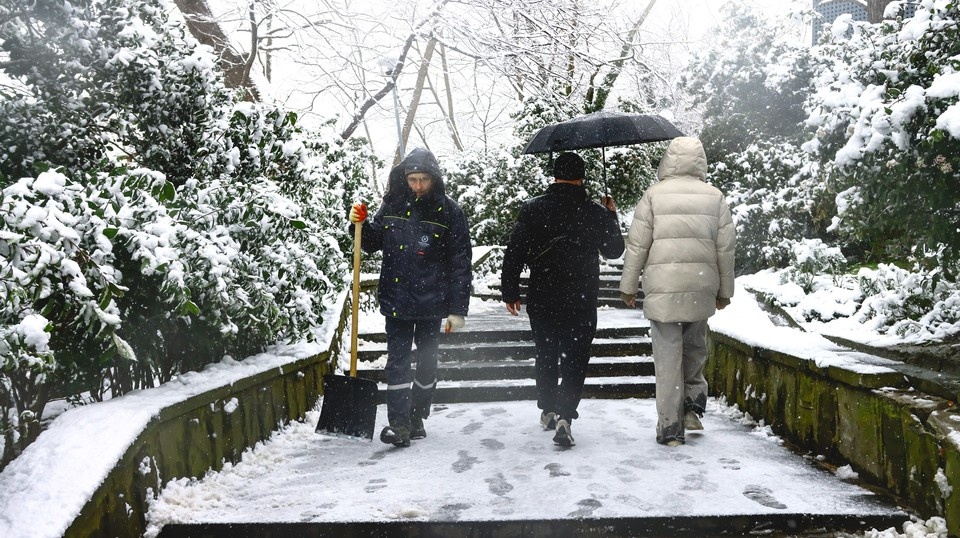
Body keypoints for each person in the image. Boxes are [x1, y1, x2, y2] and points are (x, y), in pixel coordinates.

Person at [349, 147, 472, 448]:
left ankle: (417, 415)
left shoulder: (449, 212)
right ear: (404, 178)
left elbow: (460, 263)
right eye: (412, 179)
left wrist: (457, 310)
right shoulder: (392, 205)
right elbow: (372, 242)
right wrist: (358, 224)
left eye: (423, 179)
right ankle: (399, 423)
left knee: (428, 364)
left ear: (434, 179)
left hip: (432, 302)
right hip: (397, 300)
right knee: (398, 363)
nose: (417, 185)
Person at [500, 152, 625, 447]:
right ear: (582, 178)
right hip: (580, 298)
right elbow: (614, 251)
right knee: (575, 357)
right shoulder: (594, 212)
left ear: (555, 176)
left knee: (546, 353)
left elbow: (515, 251)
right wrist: (611, 216)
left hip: (543, 296)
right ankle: (566, 415)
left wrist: (511, 290)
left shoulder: (533, 209)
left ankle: (548, 409)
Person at [618, 136, 736, 447]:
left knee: (668, 358)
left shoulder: (653, 196)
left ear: (668, 160)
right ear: (701, 162)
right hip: (700, 285)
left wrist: (628, 286)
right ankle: (693, 405)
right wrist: (725, 292)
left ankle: (670, 427)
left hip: (664, 286)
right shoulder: (715, 197)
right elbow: (725, 249)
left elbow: (637, 245)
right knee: (695, 347)